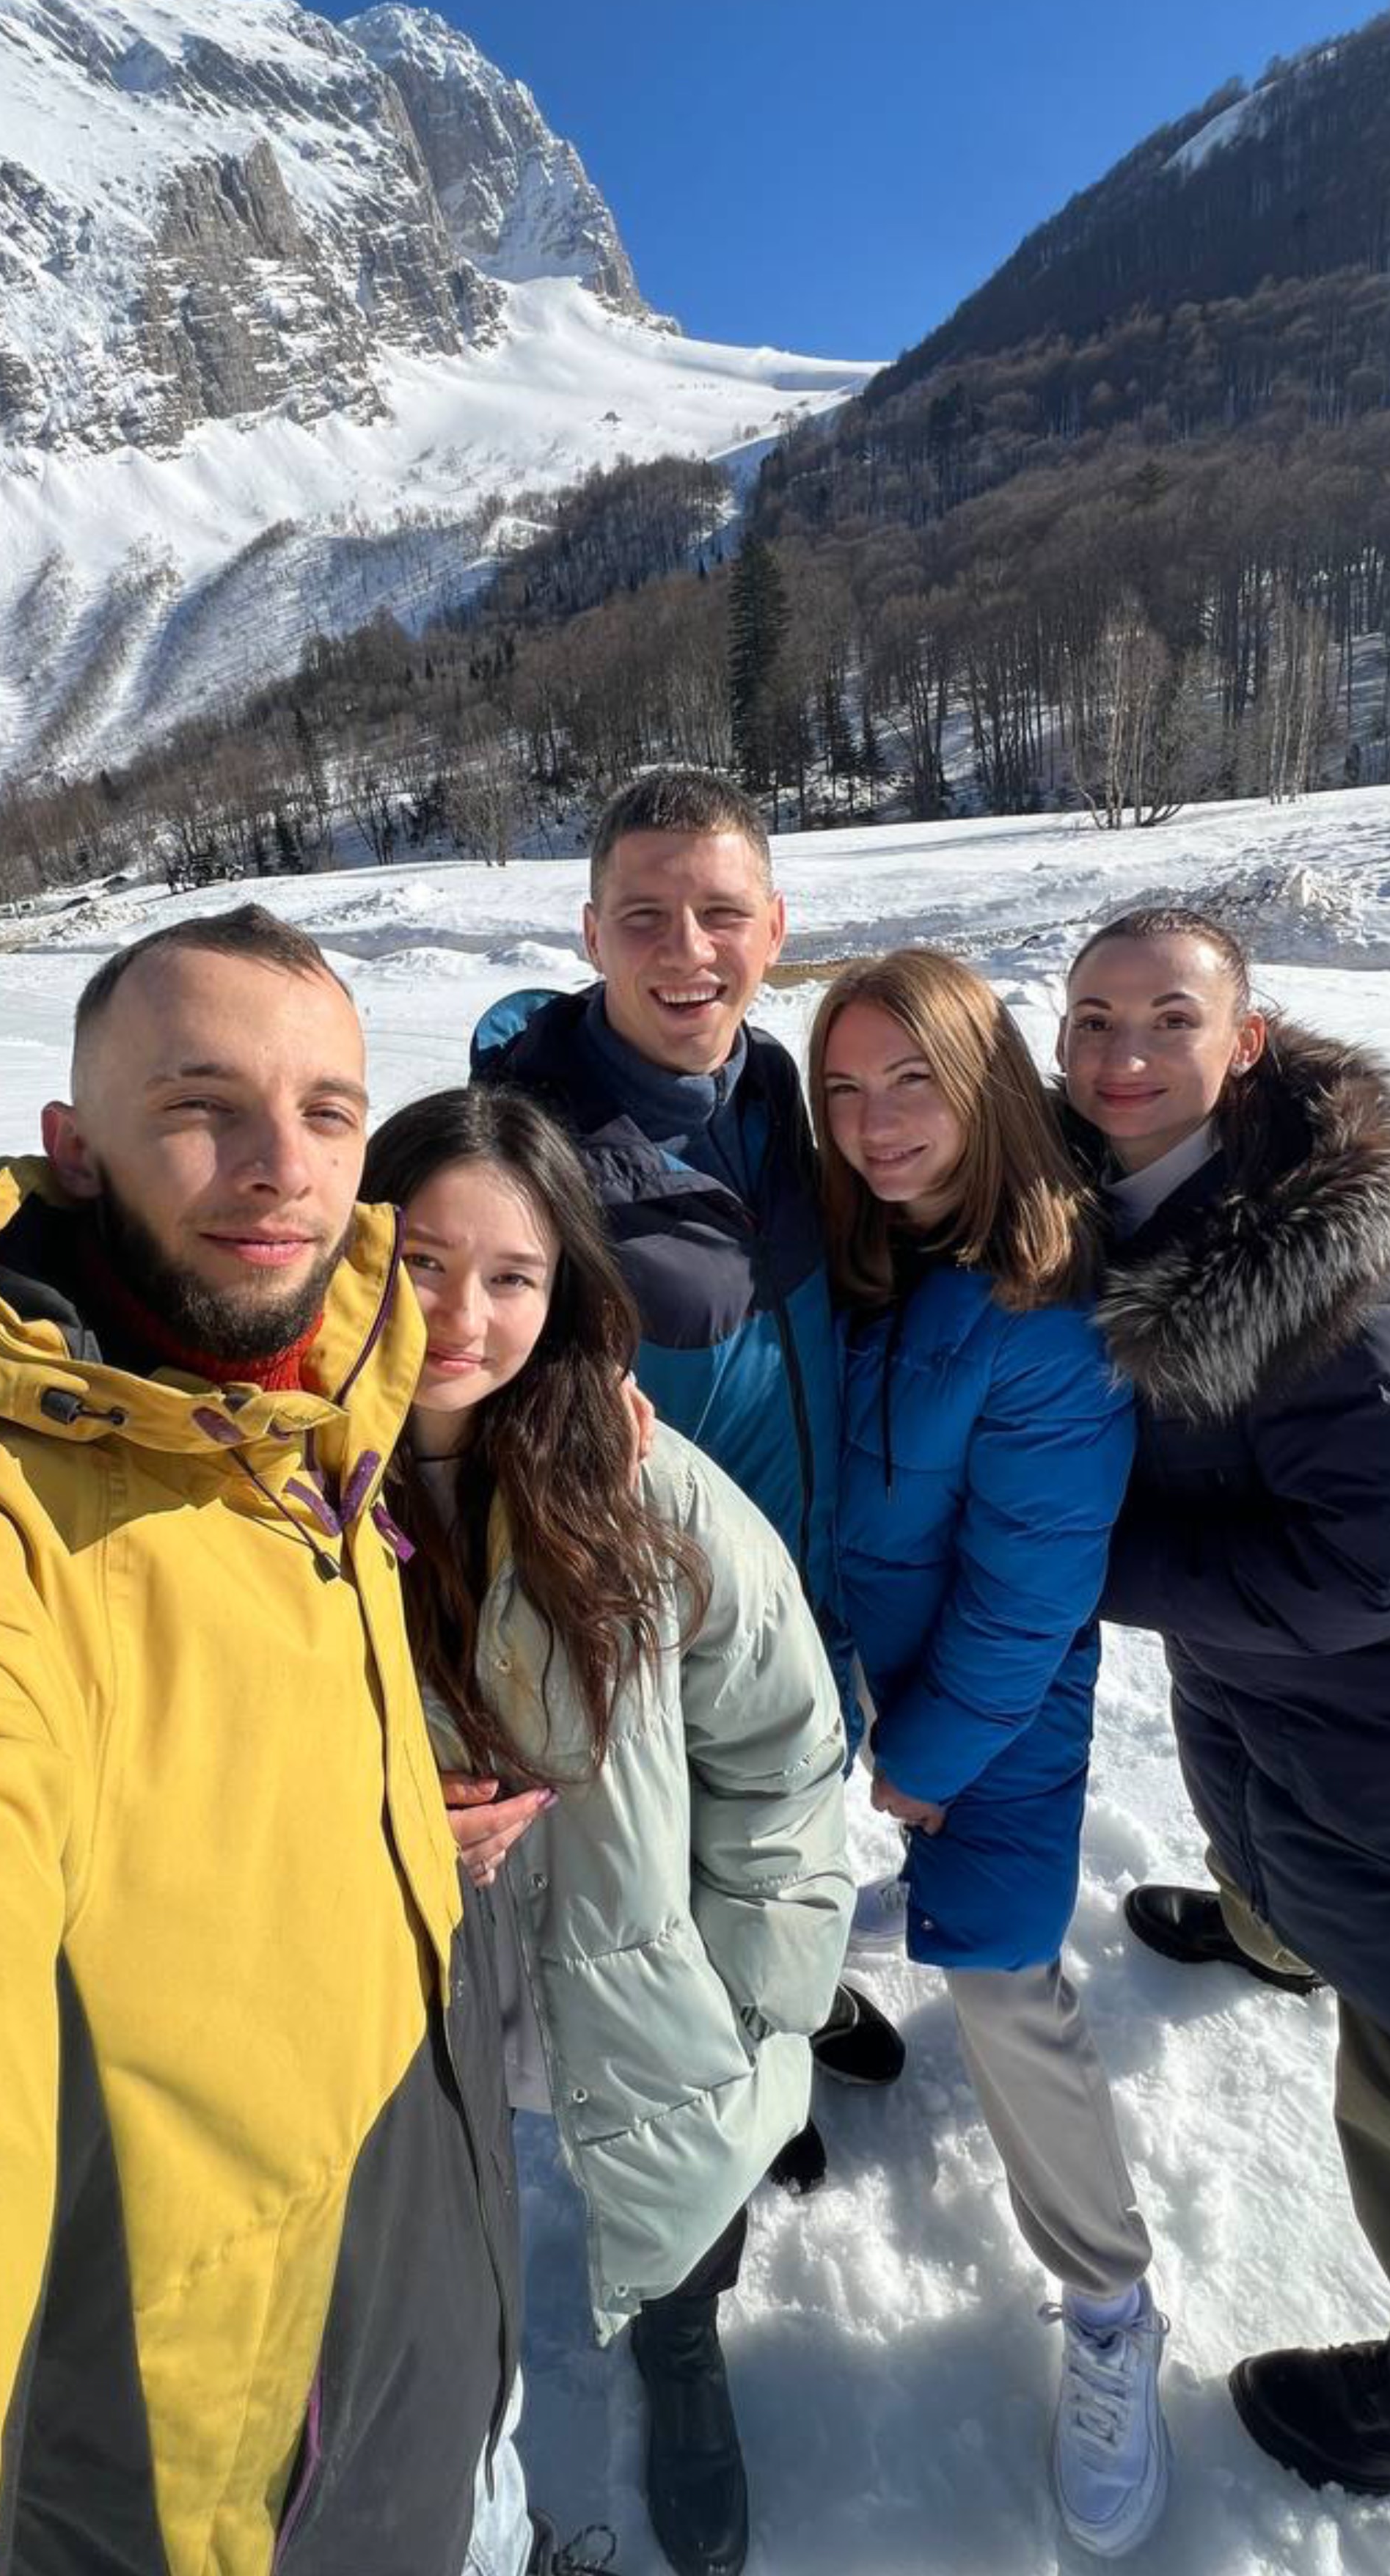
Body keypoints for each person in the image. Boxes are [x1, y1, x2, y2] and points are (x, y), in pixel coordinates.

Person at [0, 905, 518, 2575]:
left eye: (328, 1112)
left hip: (410, 2324)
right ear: (75, 1149)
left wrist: (367, 1811)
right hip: (204, 2493)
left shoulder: (312, 1407)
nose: (282, 1168)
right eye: (204, 1107)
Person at [359, 1083, 852, 2576]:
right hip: (402, 1975)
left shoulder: (643, 1494)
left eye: (512, 1276)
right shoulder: (281, 1498)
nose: (462, 1317)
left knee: (684, 2158)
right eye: (421, 1263)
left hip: (633, 1956)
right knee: (426, 2242)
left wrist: (755, 1995)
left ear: (564, 1290)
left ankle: (684, 2346)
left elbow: (778, 1744)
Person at [470, 768, 903, 2134]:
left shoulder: (775, 1087)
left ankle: (787, 1997)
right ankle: (723, 2095)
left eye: (719, 913)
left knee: (786, 1835)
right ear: (589, 933)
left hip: (805, 1582)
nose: (687, 951)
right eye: (644, 917)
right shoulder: (522, 1157)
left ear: (775, 927)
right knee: (675, 1882)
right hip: (655, 1624)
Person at [813, 949, 1171, 2559]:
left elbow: (1030, 1591)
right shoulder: (867, 1249)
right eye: (843, 1088)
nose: (876, 1122)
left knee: (1005, 1984)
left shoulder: (1043, 1309)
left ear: (985, 1082)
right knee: (943, 1913)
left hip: (994, 1702)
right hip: (879, 1667)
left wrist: (931, 1757)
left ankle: (1109, 2304)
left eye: (912, 1082)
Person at [1061, 904, 1390, 2500]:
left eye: (1169, 1021)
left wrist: (1090, 1562)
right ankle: (1275, 1930)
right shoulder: (1144, 1187)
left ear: (1247, 1041)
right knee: (1263, 1841)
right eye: (1092, 1020)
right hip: (1270, 1694)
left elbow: (1369, 1565)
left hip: (1383, 1736)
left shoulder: (1333, 1275)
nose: (1123, 1056)